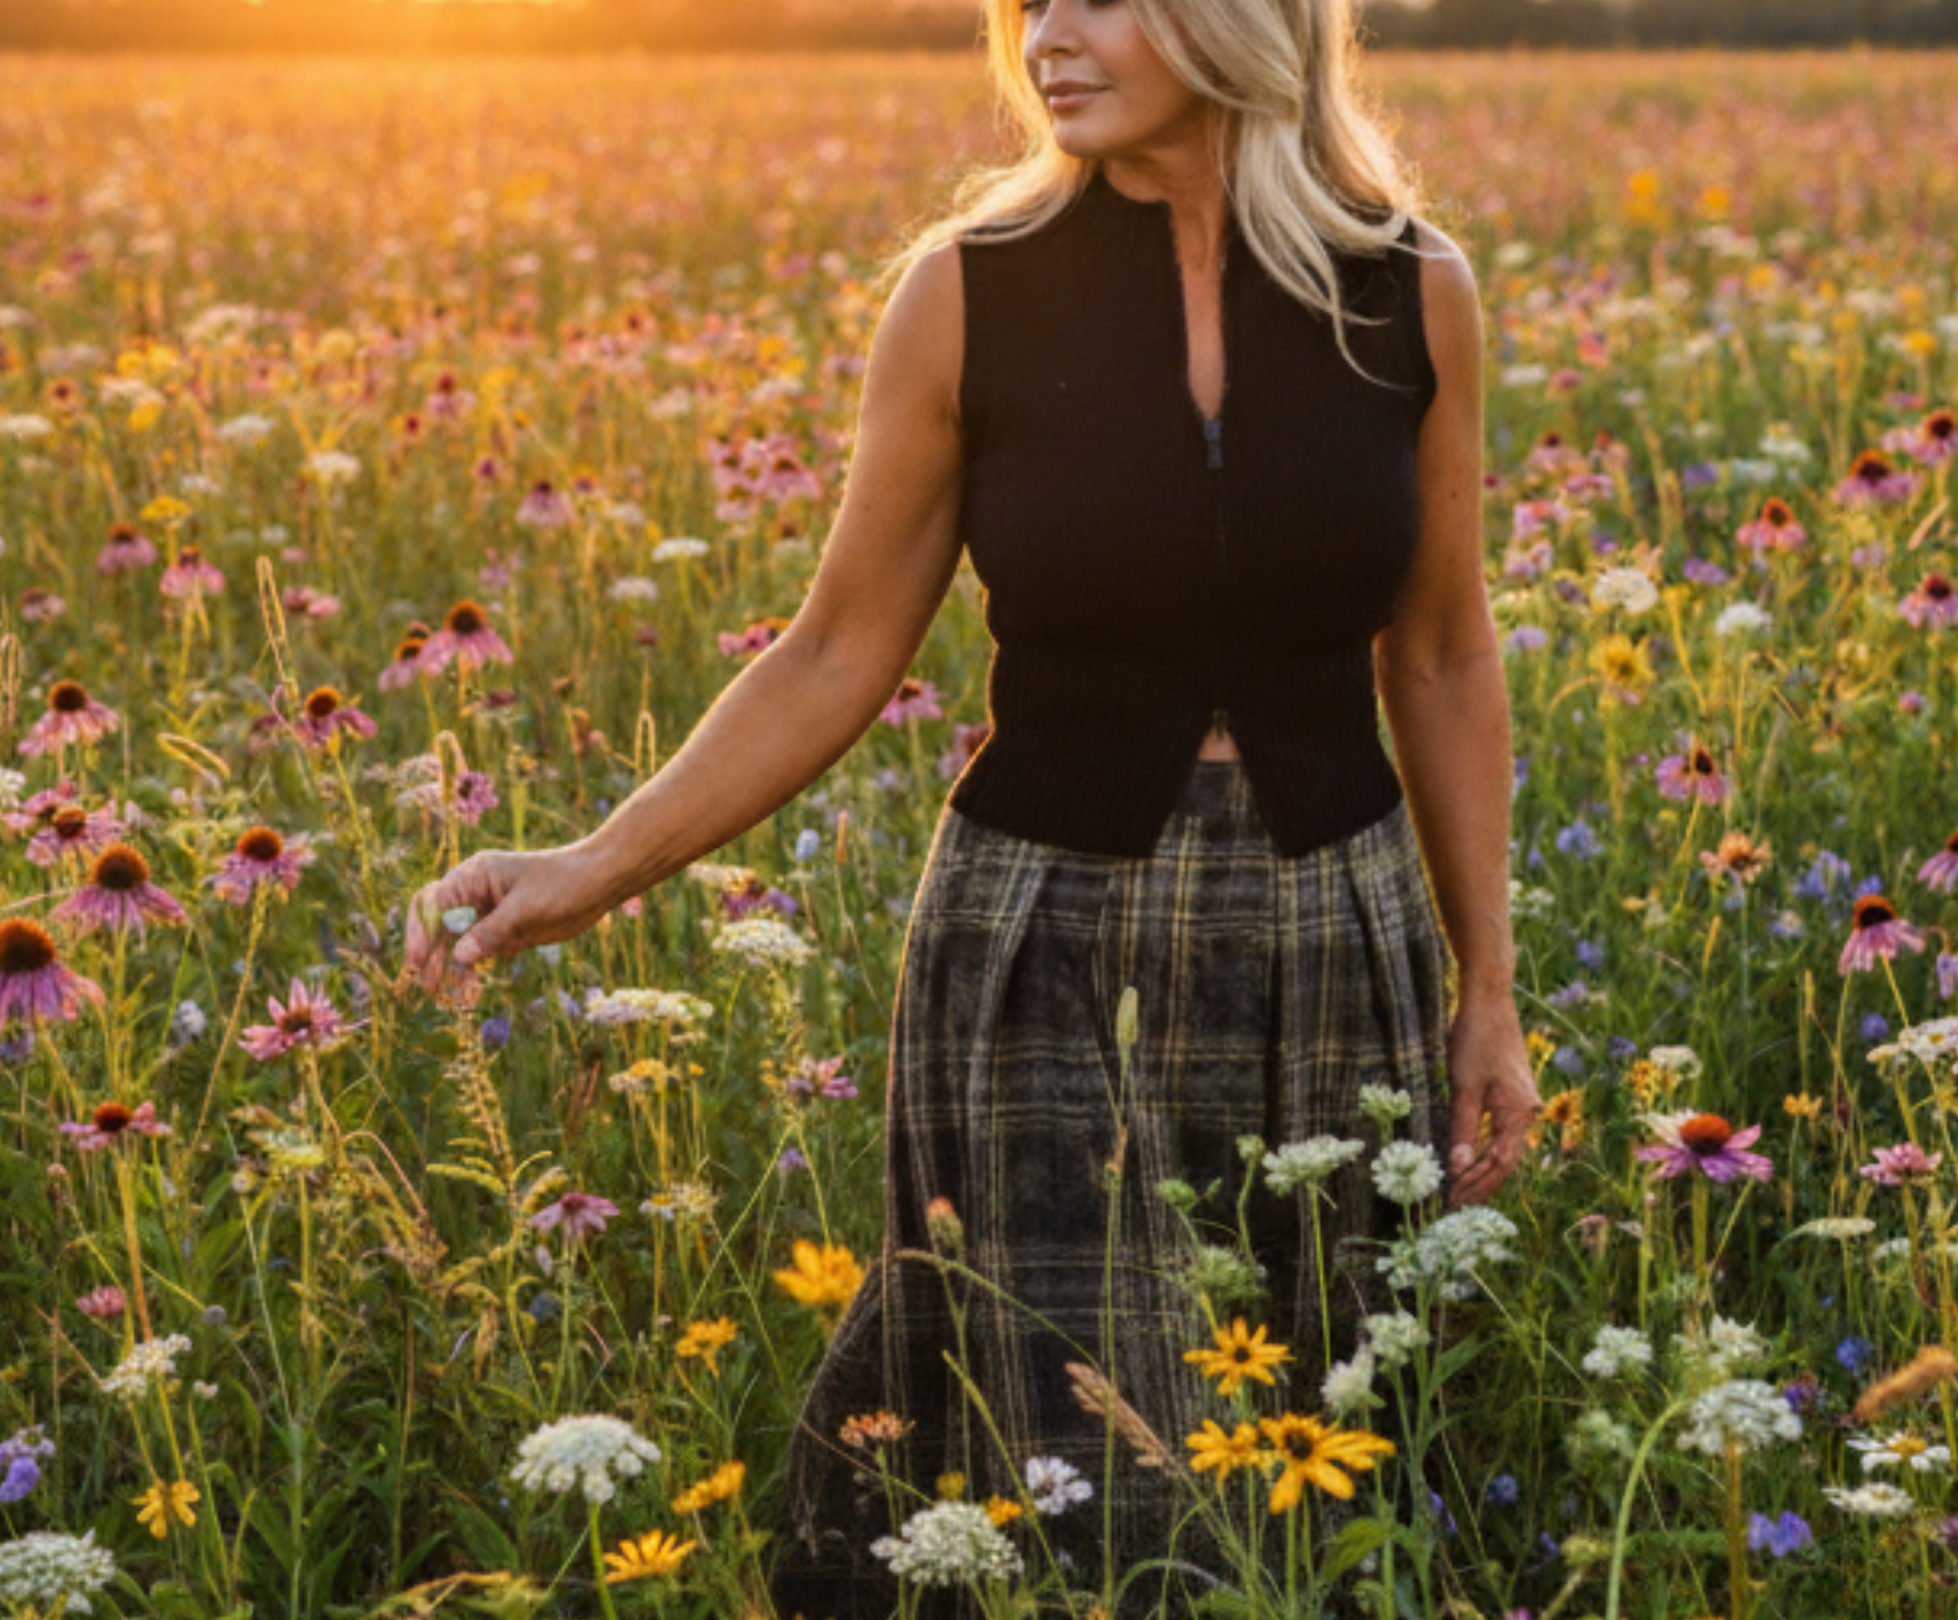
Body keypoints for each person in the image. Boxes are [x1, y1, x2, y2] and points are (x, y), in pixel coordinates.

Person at [401, 0, 1538, 1610]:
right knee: (1080, 1482)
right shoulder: (967, 295)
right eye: (1029, 6)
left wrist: (1485, 990)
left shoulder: (1414, 292)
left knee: (1324, 1459)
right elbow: (835, 648)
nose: (1046, 37)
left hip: (1332, 951)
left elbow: (1439, 652)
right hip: (1041, 956)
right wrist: (594, 868)